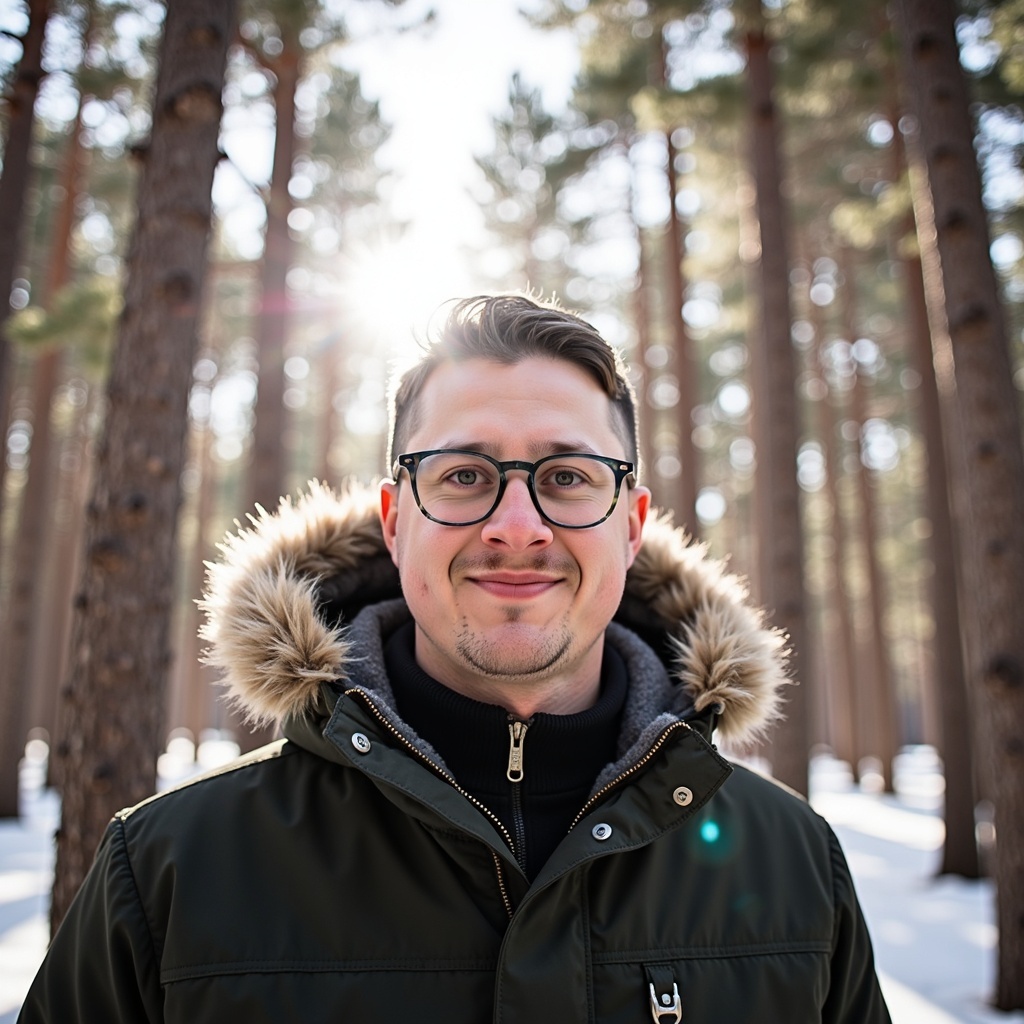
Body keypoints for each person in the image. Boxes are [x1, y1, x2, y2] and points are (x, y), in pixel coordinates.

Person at [20, 294, 891, 1023]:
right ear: (397, 520)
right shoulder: (172, 866)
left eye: (569, 476)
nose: (518, 526)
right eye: (466, 474)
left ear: (631, 525)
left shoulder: (795, 864)